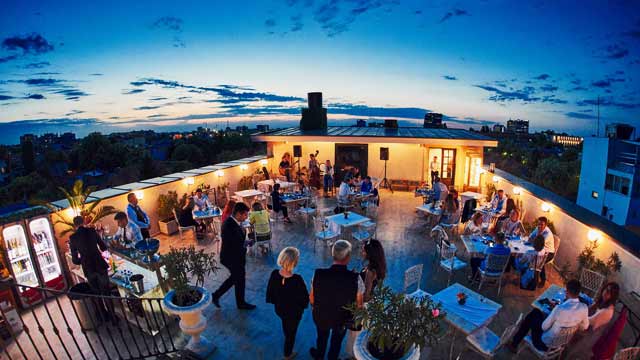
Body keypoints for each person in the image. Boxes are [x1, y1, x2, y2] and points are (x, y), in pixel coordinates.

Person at [310, 240, 364, 360]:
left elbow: (312, 298)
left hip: (321, 316)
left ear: (332, 254)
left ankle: (319, 356)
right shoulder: (356, 278)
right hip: (342, 319)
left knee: (321, 338)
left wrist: (314, 307)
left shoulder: (318, 274)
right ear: (348, 257)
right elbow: (359, 305)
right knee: (336, 342)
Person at [509, 279, 589, 353]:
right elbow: (585, 326)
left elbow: (544, 327)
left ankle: (514, 344)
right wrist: (572, 324)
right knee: (539, 314)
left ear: (567, 291)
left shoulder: (560, 309)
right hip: (559, 345)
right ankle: (515, 341)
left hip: (543, 344)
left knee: (534, 314)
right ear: (578, 293)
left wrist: (554, 313)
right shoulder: (584, 308)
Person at [266, 247, 309, 360]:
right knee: (291, 334)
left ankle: (287, 333)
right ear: (294, 263)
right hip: (293, 314)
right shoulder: (297, 280)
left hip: (280, 310)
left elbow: (270, 294)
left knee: (286, 325)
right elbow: (304, 300)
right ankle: (287, 354)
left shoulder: (274, 274)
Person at [211, 202, 256, 310]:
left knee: (236, 278)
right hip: (230, 258)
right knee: (239, 278)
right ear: (239, 214)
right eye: (245, 215)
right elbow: (235, 244)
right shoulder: (229, 225)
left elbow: (238, 241)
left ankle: (217, 296)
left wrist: (246, 241)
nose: (246, 217)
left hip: (236, 257)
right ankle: (240, 303)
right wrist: (247, 243)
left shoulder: (234, 222)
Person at [69, 216, 114, 322]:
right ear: (83, 222)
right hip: (99, 264)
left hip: (88, 268)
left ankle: (103, 317)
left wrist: (83, 260)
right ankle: (113, 318)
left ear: (75, 226)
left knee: (96, 293)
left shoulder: (73, 238)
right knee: (106, 292)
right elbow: (103, 246)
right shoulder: (92, 231)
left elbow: (75, 260)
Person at [565, 282, 621, 359]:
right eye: (606, 289)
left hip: (589, 334)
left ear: (612, 297)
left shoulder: (607, 311)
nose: (606, 293)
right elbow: (590, 308)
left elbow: (589, 321)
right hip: (586, 327)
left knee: (570, 350)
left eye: (610, 293)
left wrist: (577, 313)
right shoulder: (603, 301)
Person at [529, 216, 555, 284]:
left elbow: (539, 244)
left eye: (542, 224)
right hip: (541, 250)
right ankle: (531, 276)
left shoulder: (548, 233)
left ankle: (539, 281)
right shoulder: (537, 228)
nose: (539, 226)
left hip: (549, 253)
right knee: (534, 258)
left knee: (539, 261)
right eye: (539, 224)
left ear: (546, 225)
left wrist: (536, 236)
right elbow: (530, 237)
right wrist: (533, 238)